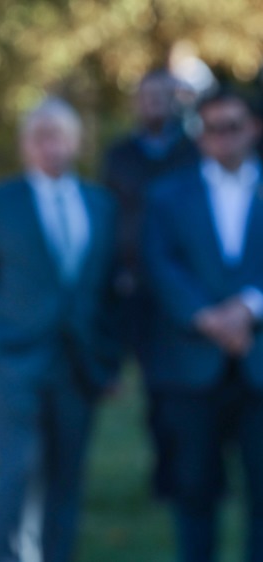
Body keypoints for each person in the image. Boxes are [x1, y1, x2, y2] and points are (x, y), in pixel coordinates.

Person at [0, 97, 120, 562]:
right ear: (27, 145)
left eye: (60, 135)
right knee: (18, 477)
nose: (51, 146)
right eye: (41, 136)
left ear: (76, 141)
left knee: (67, 478)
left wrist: (110, 358)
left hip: (78, 366)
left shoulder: (101, 205)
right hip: (15, 362)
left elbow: (108, 290)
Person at [142, 89, 263, 562]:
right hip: (192, 367)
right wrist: (208, 317)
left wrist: (249, 308)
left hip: (258, 365)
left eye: (232, 126)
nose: (221, 138)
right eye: (211, 128)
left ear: (252, 128)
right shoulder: (168, 193)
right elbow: (160, 262)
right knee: (194, 494)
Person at [101, 70, 199, 358]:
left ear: (175, 100)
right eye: (147, 96)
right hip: (132, 280)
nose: (154, 102)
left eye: (162, 95)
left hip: (184, 275)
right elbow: (110, 214)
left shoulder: (194, 152)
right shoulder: (119, 155)